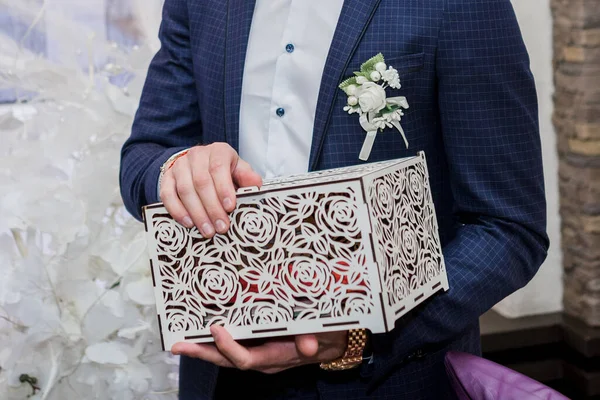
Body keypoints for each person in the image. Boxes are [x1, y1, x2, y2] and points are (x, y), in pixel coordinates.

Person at [119, 0, 549, 399]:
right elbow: (143, 157)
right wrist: (176, 169)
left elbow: (509, 228)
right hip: (221, 374)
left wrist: (360, 334)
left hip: (390, 378)